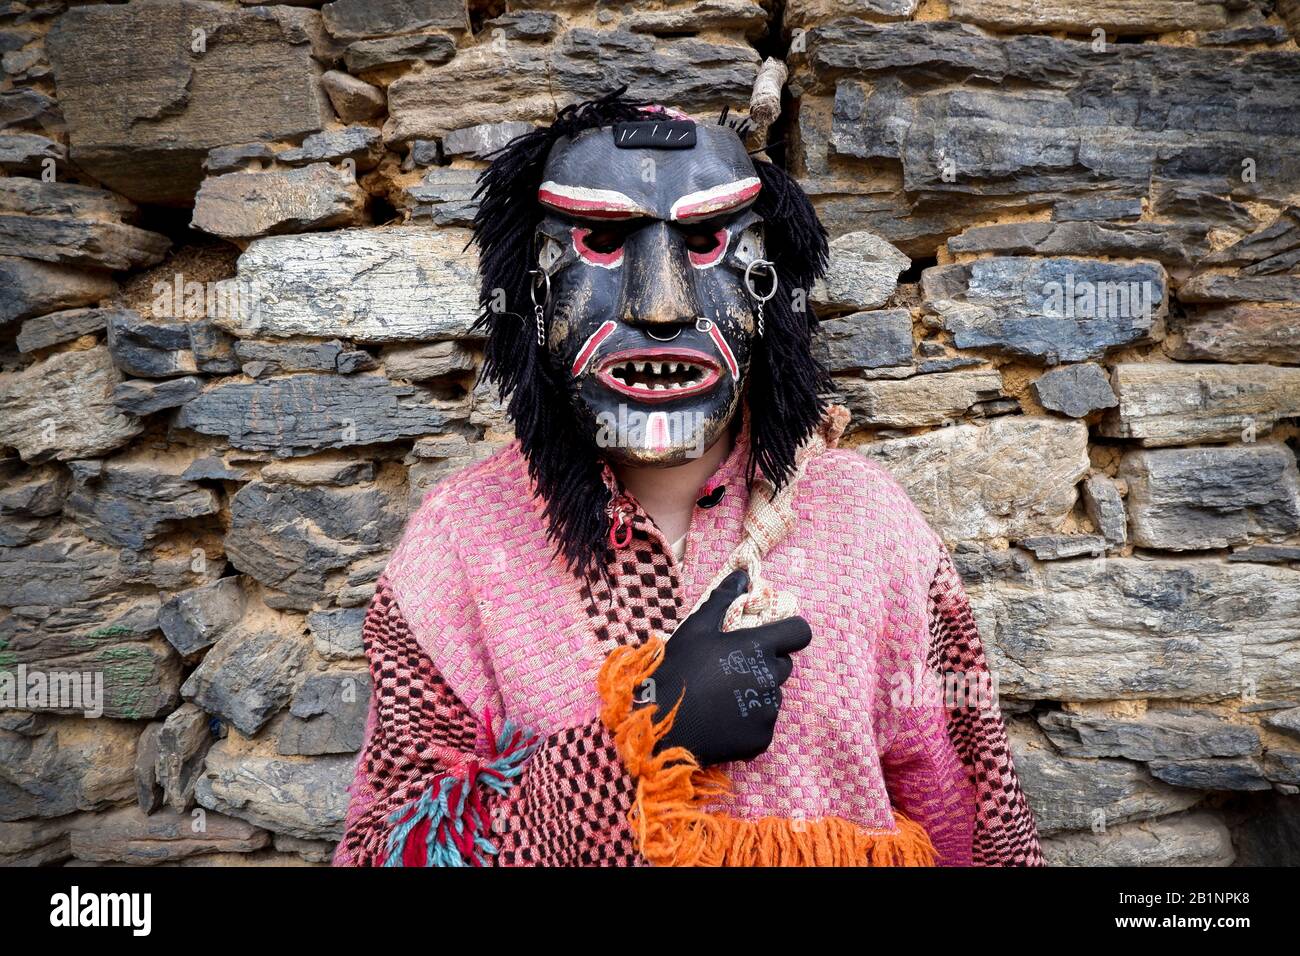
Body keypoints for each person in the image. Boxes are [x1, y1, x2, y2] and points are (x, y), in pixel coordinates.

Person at [334, 91, 1043, 867]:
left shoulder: (870, 522)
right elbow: (385, 850)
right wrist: (643, 735)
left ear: (769, 283)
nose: (662, 305)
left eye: (706, 239)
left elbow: (975, 817)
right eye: (602, 239)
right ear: (532, 286)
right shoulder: (461, 546)